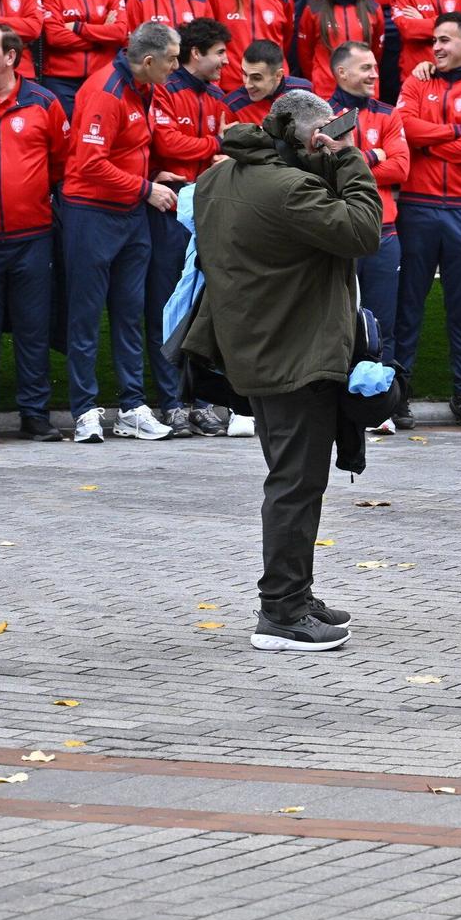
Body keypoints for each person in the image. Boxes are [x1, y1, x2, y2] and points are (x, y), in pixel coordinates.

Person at [187, 89, 382, 653]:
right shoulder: (288, 188)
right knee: (295, 484)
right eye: (330, 137)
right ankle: (282, 610)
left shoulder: (216, 179)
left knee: (291, 478)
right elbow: (364, 229)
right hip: (290, 354)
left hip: (254, 348)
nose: (340, 146)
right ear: (309, 139)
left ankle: (295, 593)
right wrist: (347, 159)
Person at [61, 21, 179, 445]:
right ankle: (84, 411)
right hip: (92, 215)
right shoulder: (105, 92)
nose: (176, 67)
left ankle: (131, 407)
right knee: (86, 318)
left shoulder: (144, 88)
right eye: (172, 60)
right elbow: (90, 163)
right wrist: (146, 188)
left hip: (130, 216)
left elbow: (127, 150)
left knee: (130, 315)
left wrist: (149, 174)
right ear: (148, 61)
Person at [394, 12, 461, 430]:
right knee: (410, 304)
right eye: (433, 41)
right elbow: (403, 127)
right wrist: (456, 130)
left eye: (444, 40)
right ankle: (398, 393)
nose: (435, 47)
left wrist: (430, 144)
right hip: (419, 207)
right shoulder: (417, 80)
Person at [0, 25, 69, 444]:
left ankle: (35, 414)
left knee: (33, 330)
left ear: (11, 57)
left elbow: (61, 165)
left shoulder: (45, 102)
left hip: (33, 237)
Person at [148, 17, 235, 437]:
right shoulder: (165, 89)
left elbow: (213, 156)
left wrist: (209, 154)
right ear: (196, 53)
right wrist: (215, 146)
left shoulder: (217, 98)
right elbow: (166, 145)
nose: (226, 61)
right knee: (169, 306)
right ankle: (170, 402)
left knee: (203, 308)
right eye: (219, 52)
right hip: (169, 214)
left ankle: (199, 399)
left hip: (207, 212)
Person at [327, 41, 411, 426]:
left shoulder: (389, 114)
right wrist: (376, 156)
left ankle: (378, 405)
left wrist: (359, 159)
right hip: (340, 233)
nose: (375, 74)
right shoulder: (324, 114)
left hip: (384, 233)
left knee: (381, 322)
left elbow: (401, 169)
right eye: (366, 68)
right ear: (341, 73)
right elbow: (327, 170)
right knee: (336, 323)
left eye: (376, 67)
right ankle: (334, 402)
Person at [299, 0, 392, 92]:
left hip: (365, 93)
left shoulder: (373, 9)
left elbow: (376, 52)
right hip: (327, 94)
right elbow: (305, 56)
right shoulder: (313, 11)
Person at [227, 39, 313, 125]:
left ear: (278, 75)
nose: (247, 85)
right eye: (245, 74)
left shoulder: (305, 91)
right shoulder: (231, 106)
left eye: (256, 78)